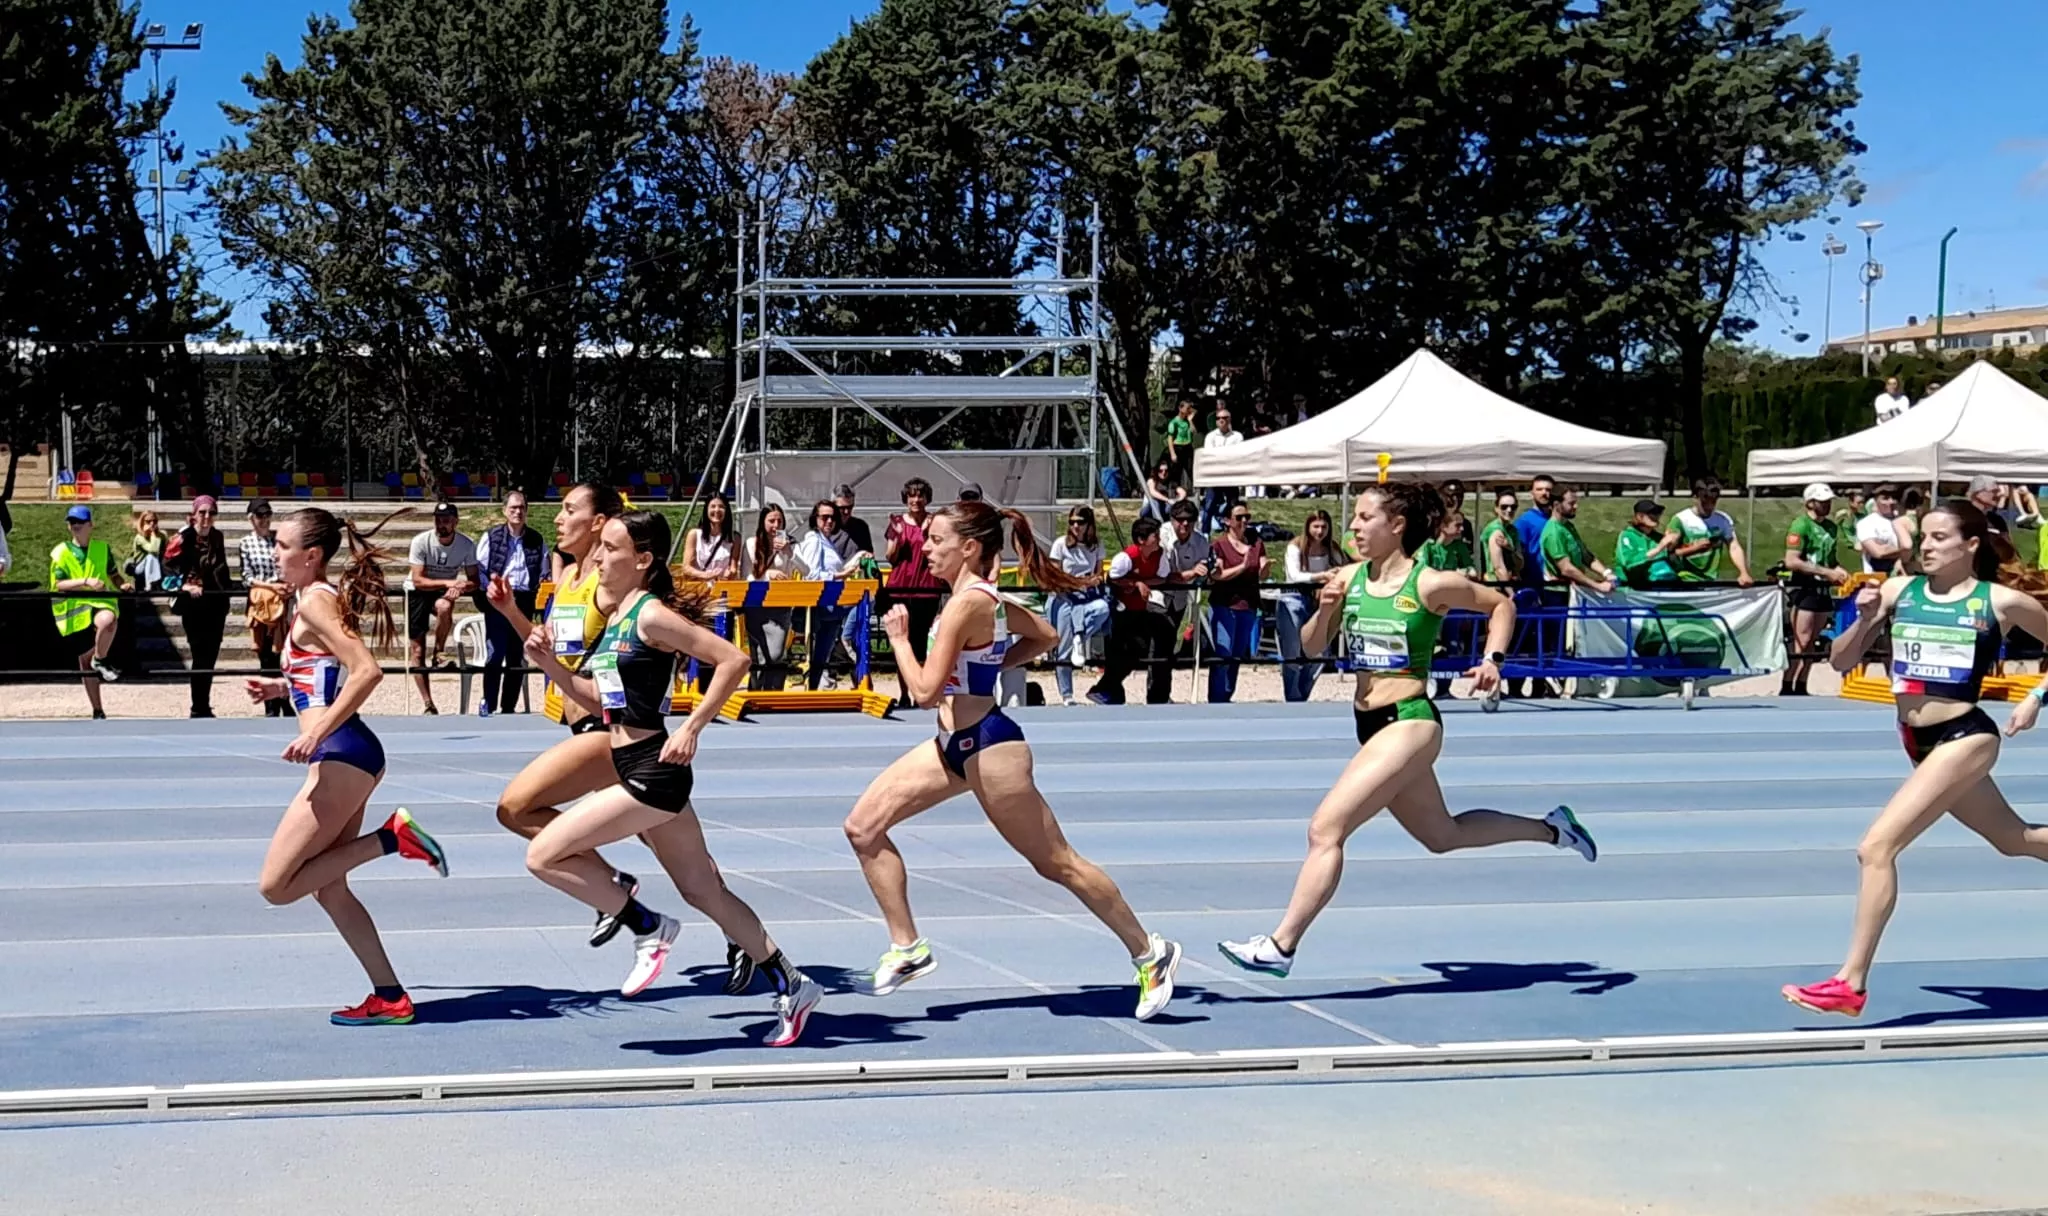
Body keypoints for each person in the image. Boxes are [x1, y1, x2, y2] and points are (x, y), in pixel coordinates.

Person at [1218, 483, 1596, 977]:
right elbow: (1309, 649)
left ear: (1396, 526)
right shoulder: (1349, 578)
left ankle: (1281, 946)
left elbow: (1501, 606)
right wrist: (1326, 608)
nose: (1353, 527)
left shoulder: (1429, 584)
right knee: (1442, 835)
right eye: (1354, 517)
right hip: (1370, 725)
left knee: (1325, 830)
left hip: (1411, 721)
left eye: (1364, 517)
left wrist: (1493, 660)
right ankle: (1552, 828)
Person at [843, 500, 1183, 1020]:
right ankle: (907, 947)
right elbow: (1045, 636)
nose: (926, 548)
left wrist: (899, 641)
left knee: (1057, 863)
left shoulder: (968, 604)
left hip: (991, 748)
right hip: (951, 746)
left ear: (968, 548)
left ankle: (1149, 952)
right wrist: (986, 668)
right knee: (863, 827)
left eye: (936, 540)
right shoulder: (980, 599)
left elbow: (925, 692)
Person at [523, 511, 822, 1044]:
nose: (597, 556)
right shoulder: (618, 615)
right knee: (704, 892)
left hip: (652, 772)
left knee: (543, 855)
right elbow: (598, 698)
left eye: (611, 548)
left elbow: (733, 660)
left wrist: (693, 727)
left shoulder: (651, 615)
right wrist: (550, 665)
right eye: (599, 546)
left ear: (643, 560)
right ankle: (791, 983)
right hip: (634, 765)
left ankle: (647, 926)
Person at [1783, 499, 2048, 1018]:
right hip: (1917, 741)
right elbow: (1840, 661)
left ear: (1971, 545)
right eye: (1923, 537)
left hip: (1967, 736)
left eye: (1939, 538)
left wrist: (2036, 697)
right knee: (2014, 841)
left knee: (1876, 847)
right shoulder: (1897, 591)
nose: (1925, 547)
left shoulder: (2001, 602)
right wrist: (1863, 622)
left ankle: (1850, 983)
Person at [243, 507, 449, 1025]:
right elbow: (325, 676)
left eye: (283, 545)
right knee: (329, 887)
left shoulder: (315, 602)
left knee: (276, 886)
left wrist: (315, 732)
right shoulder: (312, 600)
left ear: (311, 555)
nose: (275, 553)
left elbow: (366, 671)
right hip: (350, 753)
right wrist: (282, 688)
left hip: (339, 755)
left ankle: (393, 838)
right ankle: (390, 996)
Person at [49, 504, 126, 717]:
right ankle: (97, 709)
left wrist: (123, 585)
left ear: (90, 525)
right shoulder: (61, 552)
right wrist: (85, 581)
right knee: (85, 662)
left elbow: (114, 574)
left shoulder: (102, 549)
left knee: (108, 620)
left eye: (80, 522)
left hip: (99, 605)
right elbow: (58, 584)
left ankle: (100, 658)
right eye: (72, 522)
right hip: (75, 613)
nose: (75, 525)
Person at [1089, 516, 1176, 705]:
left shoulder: (1159, 555)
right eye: (1155, 535)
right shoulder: (1125, 558)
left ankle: (1105, 690)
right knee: (1123, 652)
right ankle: (1106, 691)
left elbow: (1162, 577)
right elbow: (1113, 578)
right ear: (1141, 540)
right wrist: (1136, 584)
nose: (1159, 539)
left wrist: (1142, 583)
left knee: (1138, 649)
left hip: (1140, 608)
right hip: (1120, 610)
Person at [474, 491, 546, 716]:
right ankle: (489, 704)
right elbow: (480, 569)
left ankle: (509, 708)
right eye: (513, 508)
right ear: (504, 510)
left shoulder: (536, 539)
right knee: (495, 653)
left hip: (524, 600)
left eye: (522, 507)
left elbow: (544, 569)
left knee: (517, 656)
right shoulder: (491, 536)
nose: (518, 512)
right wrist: (490, 588)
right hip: (498, 599)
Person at [404, 502, 477, 712]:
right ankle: (428, 702)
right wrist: (449, 583)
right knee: (417, 650)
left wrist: (462, 586)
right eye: (437, 519)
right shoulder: (421, 541)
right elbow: (418, 580)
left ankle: (439, 652)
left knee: (445, 607)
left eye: (446, 520)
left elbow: (474, 580)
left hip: (441, 590)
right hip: (417, 591)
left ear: (455, 522)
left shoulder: (466, 544)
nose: (441, 524)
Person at [1782, 483, 1851, 696]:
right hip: (1804, 587)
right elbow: (1792, 560)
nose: (1827, 505)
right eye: (1822, 502)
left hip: (1823, 588)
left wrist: (1841, 572)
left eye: (1828, 501)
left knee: (1814, 640)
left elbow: (1830, 560)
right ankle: (1787, 683)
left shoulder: (1831, 527)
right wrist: (1826, 572)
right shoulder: (1800, 525)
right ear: (1810, 503)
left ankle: (1803, 683)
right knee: (1801, 640)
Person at [168, 495, 232, 719]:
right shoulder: (182, 537)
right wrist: (184, 585)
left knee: (211, 654)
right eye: (202, 512)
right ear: (194, 515)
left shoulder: (218, 537)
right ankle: (198, 705)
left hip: (215, 603)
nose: (206, 517)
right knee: (199, 653)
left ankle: (204, 704)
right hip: (193, 605)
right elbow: (166, 567)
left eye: (211, 513)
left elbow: (221, 567)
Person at [796, 498, 868, 690]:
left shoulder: (825, 541)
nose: (829, 521)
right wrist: (840, 575)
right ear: (815, 518)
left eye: (833, 518)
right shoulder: (814, 540)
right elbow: (811, 575)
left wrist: (854, 562)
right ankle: (847, 640)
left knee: (822, 655)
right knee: (864, 601)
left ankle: (815, 687)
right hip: (823, 604)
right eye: (825, 517)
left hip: (831, 603)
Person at [883, 477, 942, 706]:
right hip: (900, 589)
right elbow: (890, 558)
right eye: (912, 495)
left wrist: (928, 535)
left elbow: (939, 553)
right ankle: (904, 694)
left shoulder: (935, 523)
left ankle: (922, 691)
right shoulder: (897, 523)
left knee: (923, 642)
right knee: (902, 640)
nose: (916, 500)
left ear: (927, 498)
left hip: (927, 589)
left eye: (920, 495)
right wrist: (898, 538)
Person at [1277, 509, 1343, 702]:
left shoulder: (1333, 549)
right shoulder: (1295, 547)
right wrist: (1322, 576)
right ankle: (1293, 696)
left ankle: (1302, 694)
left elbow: (1341, 570)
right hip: (1294, 598)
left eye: (1324, 527)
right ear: (1308, 527)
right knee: (1292, 650)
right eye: (1316, 526)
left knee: (1320, 652)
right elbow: (1294, 576)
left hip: (1320, 601)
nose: (1320, 531)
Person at [1046, 505, 1110, 706]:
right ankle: (1067, 695)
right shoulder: (1060, 544)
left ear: (1089, 524)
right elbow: (1055, 576)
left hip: (1086, 597)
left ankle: (1079, 636)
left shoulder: (1096, 545)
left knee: (1103, 609)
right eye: (1072, 522)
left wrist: (1091, 581)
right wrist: (1079, 582)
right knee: (1063, 648)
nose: (1075, 526)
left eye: (1080, 522)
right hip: (1063, 597)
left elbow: (1099, 573)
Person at [741, 503, 807, 690]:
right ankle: (756, 693)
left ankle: (774, 692)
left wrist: (789, 552)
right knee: (760, 655)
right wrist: (766, 576)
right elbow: (745, 576)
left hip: (781, 605)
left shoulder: (791, 545)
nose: (776, 525)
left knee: (777, 655)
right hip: (756, 605)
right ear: (763, 522)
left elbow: (806, 570)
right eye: (771, 521)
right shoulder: (751, 544)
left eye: (779, 521)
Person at [1206, 503, 1267, 703]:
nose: (1244, 521)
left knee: (1237, 655)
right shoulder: (1219, 545)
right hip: (1225, 604)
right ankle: (1216, 700)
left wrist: (1264, 568)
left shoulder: (1256, 542)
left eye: (1247, 516)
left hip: (1248, 605)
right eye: (1239, 517)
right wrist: (1243, 566)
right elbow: (1218, 575)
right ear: (1227, 521)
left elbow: (1262, 571)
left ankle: (1226, 695)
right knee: (1223, 654)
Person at [240, 501, 292, 717]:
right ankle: (271, 706)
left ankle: (286, 703)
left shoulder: (278, 540)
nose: (264, 520)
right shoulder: (245, 543)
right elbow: (247, 577)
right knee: (265, 655)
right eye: (260, 516)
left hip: (282, 601)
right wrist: (272, 586)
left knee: (284, 654)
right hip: (262, 602)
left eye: (267, 515)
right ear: (251, 518)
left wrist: (285, 586)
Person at [1666, 478, 1754, 585]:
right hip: (1684, 579)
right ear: (1695, 497)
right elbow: (1667, 553)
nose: (1709, 506)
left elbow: (1734, 546)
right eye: (1704, 501)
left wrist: (1744, 573)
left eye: (1713, 501)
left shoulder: (1722, 520)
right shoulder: (1680, 520)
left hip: (1710, 581)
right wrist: (1694, 548)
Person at [1538, 485, 1615, 593]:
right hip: (1559, 593)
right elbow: (1566, 569)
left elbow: (1586, 556)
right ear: (1556, 505)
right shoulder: (1553, 532)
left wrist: (1606, 573)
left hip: (1574, 590)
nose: (1576, 506)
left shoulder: (1568, 526)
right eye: (1571, 503)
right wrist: (1597, 586)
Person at [1614, 499, 1681, 587]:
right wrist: (1659, 548)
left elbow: (1675, 564)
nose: (1656, 516)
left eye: (1658, 512)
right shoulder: (1627, 536)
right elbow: (1629, 563)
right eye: (1651, 513)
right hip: (1632, 586)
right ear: (1639, 516)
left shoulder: (1658, 537)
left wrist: (1672, 547)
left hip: (1660, 583)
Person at [679, 491, 739, 582]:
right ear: (706, 510)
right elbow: (686, 567)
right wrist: (704, 575)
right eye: (713, 506)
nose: (717, 510)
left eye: (721, 507)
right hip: (700, 586)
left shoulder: (735, 538)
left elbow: (733, 567)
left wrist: (730, 573)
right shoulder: (694, 535)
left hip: (722, 586)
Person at [1855, 484, 1906, 575]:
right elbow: (1878, 552)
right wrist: (1906, 550)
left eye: (1894, 498)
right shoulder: (1866, 523)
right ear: (1875, 501)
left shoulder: (1902, 520)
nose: (1891, 501)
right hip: (1877, 576)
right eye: (1885, 498)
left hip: (1903, 576)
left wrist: (1889, 549)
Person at [1476, 490, 1521, 583]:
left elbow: (1520, 563)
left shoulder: (1513, 530)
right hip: (1496, 583)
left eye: (1513, 507)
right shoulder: (1495, 530)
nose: (1509, 510)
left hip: (1512, 579)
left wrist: (1510, 548)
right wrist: (1509, 589)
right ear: (1496, 508)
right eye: (1504, 507)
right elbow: (1498, 568)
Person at [127, 509, 166, 590]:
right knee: (151, 556)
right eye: (148, 521)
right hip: (140, 568)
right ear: (142, 522)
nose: (152, 523)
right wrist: (153, 534)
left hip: (157, 566)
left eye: (154, 521)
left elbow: (164, 552)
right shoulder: (139, 538)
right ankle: (150, 585)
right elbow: (153, 549)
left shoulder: (161, 536)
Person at [832, 483, 874, 555]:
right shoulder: (827, 528)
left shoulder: (861, 527)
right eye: (842, 508)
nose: (846, 512)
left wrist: (868, 560)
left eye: (850, 507)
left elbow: (868, 556)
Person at [1140, 459, 1182, 523]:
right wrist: (1167, 500)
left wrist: (1176, 500)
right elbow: (1152, 493)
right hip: (1148, 510)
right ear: (1157, 471)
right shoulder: (1152, 480)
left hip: (1163, 509)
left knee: (1172, 505)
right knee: (1154, 501)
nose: (1163, 473)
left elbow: (1182, 492)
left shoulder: (1170, 483)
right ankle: (1159, 523)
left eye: (1166, 471)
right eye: (1160, 471)